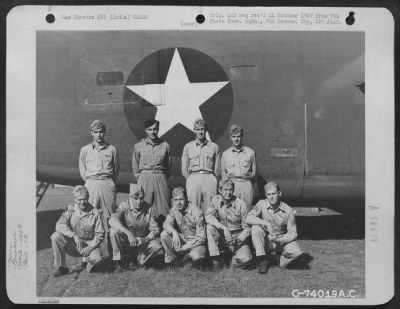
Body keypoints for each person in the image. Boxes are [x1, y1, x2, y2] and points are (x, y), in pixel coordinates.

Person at [247, 181, 304, 274]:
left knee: (296, 251)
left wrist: (278, 239)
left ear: (279, 193)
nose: (271, 197)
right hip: (266, 240)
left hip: (280, 241)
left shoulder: (288, 210)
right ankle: (262, 260)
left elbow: (293, 233)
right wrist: (265, 223)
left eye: (274, 194)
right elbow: (249, 218)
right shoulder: (261, 204)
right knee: (255, 228)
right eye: (268, 194)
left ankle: (279, 261)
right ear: (266, 195)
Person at [50, 186, 106, 277]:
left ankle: (86, 263)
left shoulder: (95, 213)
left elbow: (100, 235)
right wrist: (73, 236)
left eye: (85, 199)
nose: (82, 202)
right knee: (55, 236)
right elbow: (59, 225)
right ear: (75, 200)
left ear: (88, 198)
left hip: (89, 245)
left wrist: (90, 248)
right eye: (79, 200)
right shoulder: (70, 210)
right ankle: (62, 267)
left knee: (97, 260)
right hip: (74, 245)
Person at [109, 184, 164, 272]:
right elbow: (112, 220)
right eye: (136, 198)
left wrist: (145, 239)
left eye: (141, 198)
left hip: (141, 243)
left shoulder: (149, 209)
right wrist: (128, 233)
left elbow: (155, 229)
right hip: (128, 242)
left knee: (157, 245)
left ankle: (139, 260)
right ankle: (118, 261)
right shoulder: (124, 206)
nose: (139, 202)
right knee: (113, 232)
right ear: (130, 198)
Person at [79, 120, 119, 230]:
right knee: (90, 214)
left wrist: (109, 182)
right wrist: (88, 182)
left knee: (110, 215)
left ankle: (110, 243)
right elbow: (82, 169)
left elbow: (116, 169)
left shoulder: (112, 149)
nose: (99, 135)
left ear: (104, 132)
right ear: (91, 133)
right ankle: (91, 243)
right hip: (91, 183)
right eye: (96, 132)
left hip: (107, 182)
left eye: (101, 132)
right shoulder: (85, 150)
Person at [205, 178, 253, 270]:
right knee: (209, 227)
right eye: (225, 190)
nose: (228, 192)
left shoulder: (240, 204)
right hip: (222, 235)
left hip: (237, 237)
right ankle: (216, 259)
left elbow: (247, 228)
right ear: (220, 190)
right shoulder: (215, 200)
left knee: (246, 259)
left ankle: (231, 262)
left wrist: (237, 240)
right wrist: (223, 228)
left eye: (230, 190)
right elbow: (208, 217)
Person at [132, 119, 171, 218]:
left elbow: (168, 165)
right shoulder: (138, 146)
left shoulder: (165, 145)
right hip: (144, 177)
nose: (153, 132)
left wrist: (162, 176)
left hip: (160, 176)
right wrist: (141, 178)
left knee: (164, 208)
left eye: (155, 129)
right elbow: (135, 166)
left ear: (158, 129)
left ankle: (164, 231)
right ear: (145, 130)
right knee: (144, 206)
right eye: (150, 129)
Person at [160, 187, 207, 269]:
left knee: (196, 257)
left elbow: (202, 237)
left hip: (196, 243)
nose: (179, 203)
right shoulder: (174, 210)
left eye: (181, 199)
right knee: (164, 235)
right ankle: (172, 261)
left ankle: (189, 260)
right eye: (176, 200)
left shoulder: (196, 211)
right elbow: (166, 224)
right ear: (172, 200)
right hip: (184, 239)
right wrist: (174, 232)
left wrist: (185, 247)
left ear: (186, 199)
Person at [181, 118, 220, 213]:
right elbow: (184, 168)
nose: (200, 132)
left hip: (209, 178)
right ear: (194, 130)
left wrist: (213, 179)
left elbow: (217, 168)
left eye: (202, 129)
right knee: (193, 208)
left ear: (206, 130)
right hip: (194, 178)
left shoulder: (214, 147)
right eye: (198, 129)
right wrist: (190, 179)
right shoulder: (188, 147)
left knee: (210, 208)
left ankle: (210, 227)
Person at [221, 124, 256, 208]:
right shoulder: (225, 154)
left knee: (247, 210)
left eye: (238, 136)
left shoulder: (250, 152)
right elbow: (223, 174)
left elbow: (254, 173)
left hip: (246, 185)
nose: (236, 139)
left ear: (242, 137)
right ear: (230, 137)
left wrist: (248, 181)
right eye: (234, 137)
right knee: (232, 211)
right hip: (233, 186)